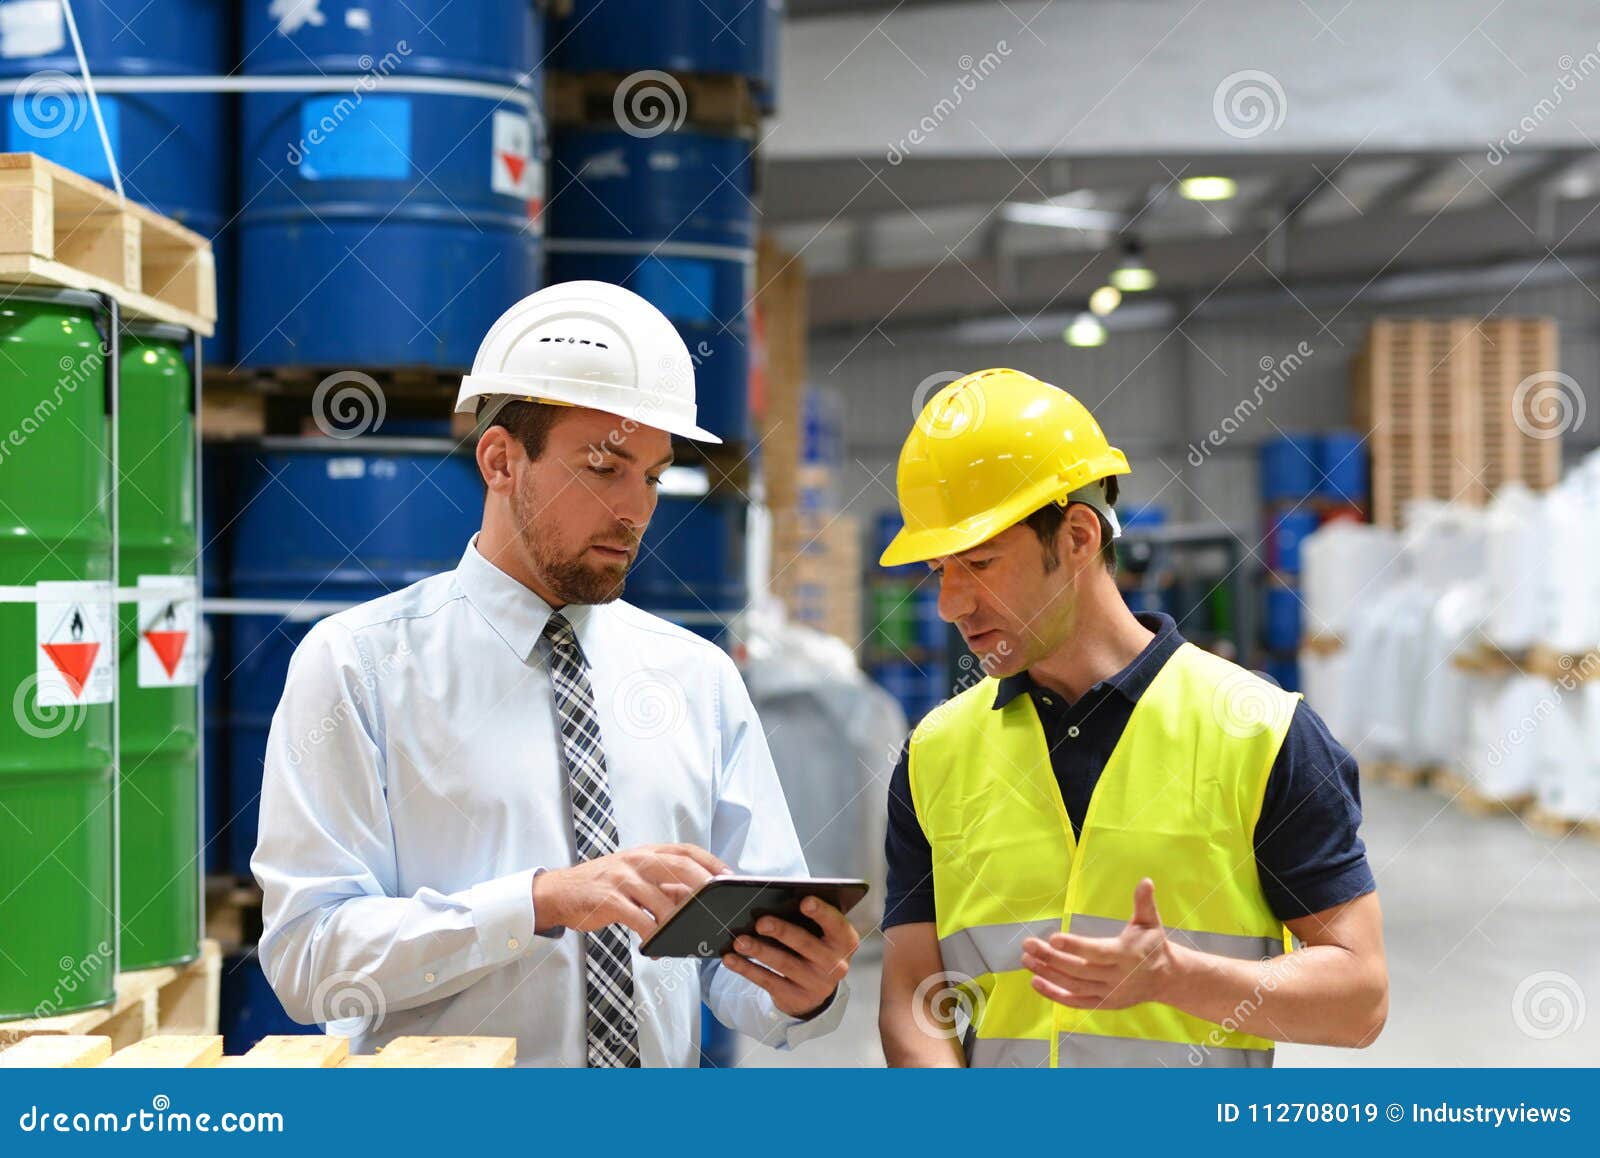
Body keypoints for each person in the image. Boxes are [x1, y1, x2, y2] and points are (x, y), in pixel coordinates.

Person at [253, 281, 859, 1067]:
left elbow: (735, 966)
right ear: (501, 461)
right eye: (604, 467)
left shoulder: (696, 677)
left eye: (651, 475)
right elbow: (311, 963)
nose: (635, 510)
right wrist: (536, 902)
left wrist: (800, 986)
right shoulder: (358, 665)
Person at [875, 367, 1387, 1068]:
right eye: (940, 570)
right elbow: (911, 992)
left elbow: (1359, 1000)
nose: (950, 604)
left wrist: (1181, 979)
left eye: (981, 563)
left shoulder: (1262, 734)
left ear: (1080, 537)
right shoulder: (935, 755)